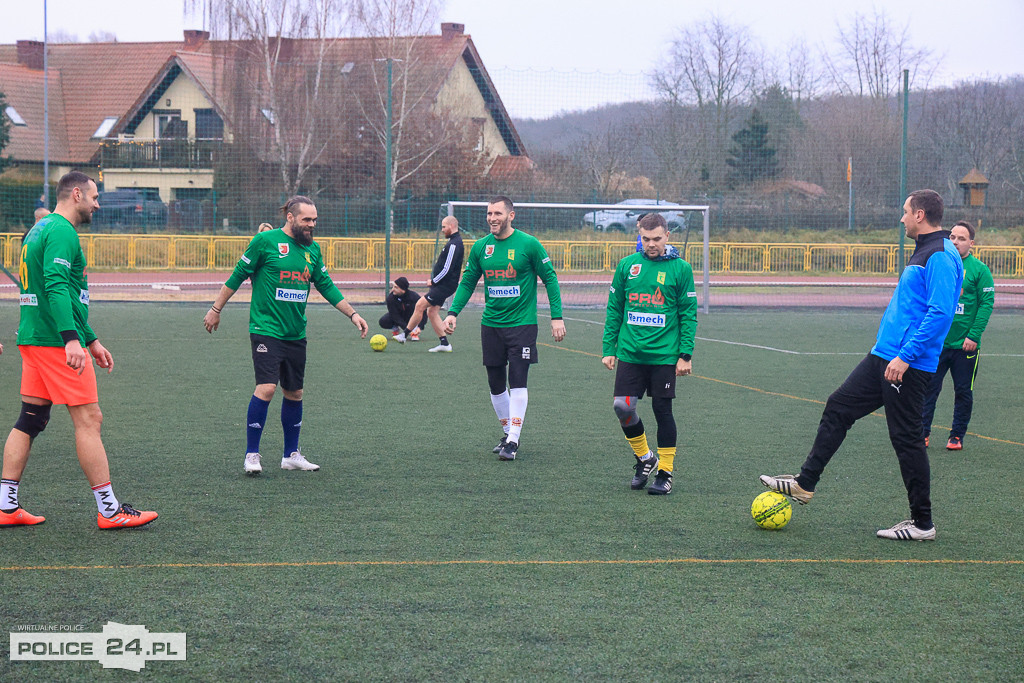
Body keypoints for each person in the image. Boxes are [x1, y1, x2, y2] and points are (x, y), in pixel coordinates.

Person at [760, 189, 964, 541]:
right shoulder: (925, 250)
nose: (901, 218)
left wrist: (906, 356)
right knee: (838, 407)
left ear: (919, 215)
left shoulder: (942, 254)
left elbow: (940, 313)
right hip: (884, 355)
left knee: (907, 440)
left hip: (906, 363)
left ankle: (923, 524)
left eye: (905, 212)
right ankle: (805, 484)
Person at [1, 171, 158, 529]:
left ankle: (6, 505)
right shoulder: (60, 231)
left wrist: (90, 338)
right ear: (76, 194)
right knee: (90, 420)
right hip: (55, 342)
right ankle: (109, 510)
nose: (98, 204)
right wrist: (72, 339)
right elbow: (56, 286)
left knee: (30, 418)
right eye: (94, 196)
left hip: (35, 337)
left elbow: (67, 294)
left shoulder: (40, 229)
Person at [203, 196, 369, 475]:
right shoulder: (265, 242)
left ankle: (290, 454)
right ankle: (252, 455)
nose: (312, 224)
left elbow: (326, 285)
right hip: (266, 329)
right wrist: (216, 308)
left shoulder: (312, 250)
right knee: (267, 388)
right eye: (306, 219)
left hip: (295, 332)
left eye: (314, 220)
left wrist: (353, 314)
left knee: (294, 392)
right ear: (290, 217)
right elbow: (237, 275)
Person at [443, 196, 566, 460]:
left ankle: (512, 440)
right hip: (491, 325)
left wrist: (557, 317)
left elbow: (550, 279)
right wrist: (453, 312)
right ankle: (509, 432)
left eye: (497, 213)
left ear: (511, 215)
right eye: (489, 213)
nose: (492, 218)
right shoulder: (480, 247)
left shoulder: (529, 245)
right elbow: (467, 283)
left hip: (522, 324)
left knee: (518, 380)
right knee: (496, 384)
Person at [603, 213, 697, 495]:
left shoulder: (681, 269)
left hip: (664, 357)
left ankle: (665, 473)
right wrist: (609, 349)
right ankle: (645, 458)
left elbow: (688, 314)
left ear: (667, 236)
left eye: (657, 238)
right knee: (622, 407)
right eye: (646, 239)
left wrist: (685, 354)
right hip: (631, 353)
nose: (651, 244)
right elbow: (614, 309)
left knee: (662, 410)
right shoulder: (627, 266)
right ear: (638, 236)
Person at [921, 220, 995, 451]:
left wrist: (973, 336)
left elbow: (986, 304)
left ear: (971, 243)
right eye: (952, 237)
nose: (955, 242)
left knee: (963, 391)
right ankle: (922, 433)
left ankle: (956, 435)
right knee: (928, 390)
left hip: (965, 346)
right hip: (937, 344)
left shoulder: (979, 270)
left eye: (961, 239)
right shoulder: (938, 263)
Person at [396, 215, 464, 352]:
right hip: (443, 285)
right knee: (432, 312)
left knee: (420, 305)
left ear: (451, 226)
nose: (443, 230)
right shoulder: (453, 242)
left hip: (445, 285)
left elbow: (447, 268)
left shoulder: (454, 244)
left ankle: (404, 335)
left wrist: (433, 281)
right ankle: (444, 344)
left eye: (444, 227)